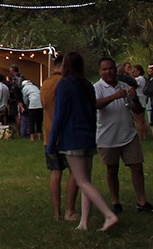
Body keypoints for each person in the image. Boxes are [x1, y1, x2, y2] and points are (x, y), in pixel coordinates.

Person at [46, 52, 118, 232]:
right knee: (86, 179)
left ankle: (109, 215)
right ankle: (83, 223)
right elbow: (91, 110)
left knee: (82, 181)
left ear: (65, 66)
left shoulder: (64, 84)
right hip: (87, 137)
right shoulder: (87, 84)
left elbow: (59, 114)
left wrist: (52, 141)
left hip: (72, 138)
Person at [94, 57, 153, 215]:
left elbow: (138, 110)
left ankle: (142, 202)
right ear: (100, 71)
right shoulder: (97, 87)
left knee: (137, 167)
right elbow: (94, 104)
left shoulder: (125, 85)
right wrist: (114, 96)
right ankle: (116, 202)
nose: (108, 72)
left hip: (128, 134)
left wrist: (134, 97)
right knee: (112, 170)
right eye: (105, 69)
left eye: (111, 68)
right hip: (107, 136)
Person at [42, 55, 78, 221]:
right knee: (74, 172)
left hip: (49, 136)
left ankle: (57, 213)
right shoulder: (64, 84)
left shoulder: (45, 84)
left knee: (55, 173)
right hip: (66, 135)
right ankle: (69, 210)